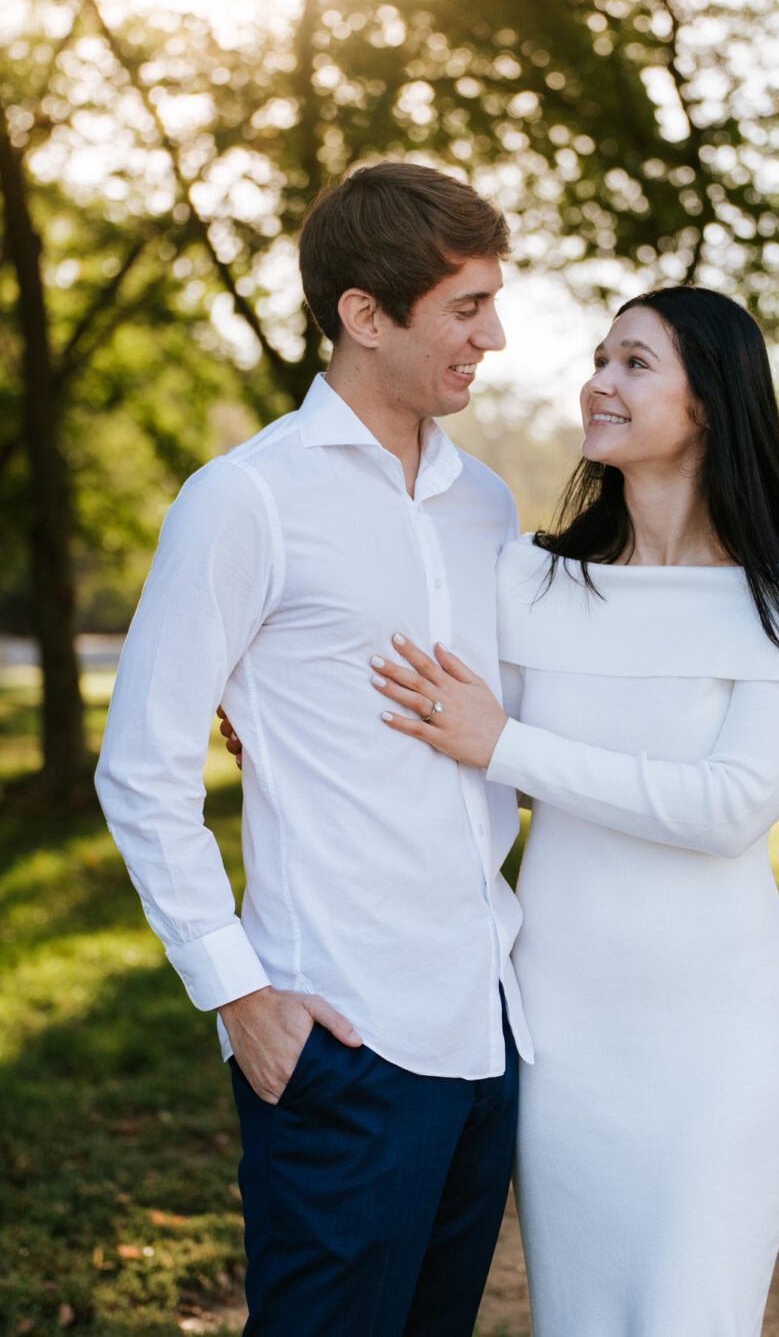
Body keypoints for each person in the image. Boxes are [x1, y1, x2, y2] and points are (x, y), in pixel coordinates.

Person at [369, 286, 779, 1337]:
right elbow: (425, 715)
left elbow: (728, 808)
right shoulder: (532, 580)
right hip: (564, 1038)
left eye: (636, 362)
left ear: (713, 400)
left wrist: (509, 745)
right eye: (599, 357)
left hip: (722, 1040)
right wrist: (272, 721)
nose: (599, 379)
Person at [94, 161, 535, 1337]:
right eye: (466, 307)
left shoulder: (483, 503)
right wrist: (235, 990)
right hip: (340, 1036)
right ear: (363, 314)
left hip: (487, 1023)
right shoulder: (246, 501)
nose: (495, 335)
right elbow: (140, 765)